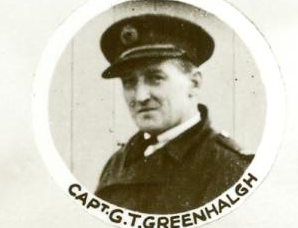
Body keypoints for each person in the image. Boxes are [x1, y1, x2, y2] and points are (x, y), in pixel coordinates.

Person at [93, 13, 253, 214]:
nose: (141, 96)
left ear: (194, 83)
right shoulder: (119, 162)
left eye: (156, 78)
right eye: (129, 82)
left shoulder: (228, 167)